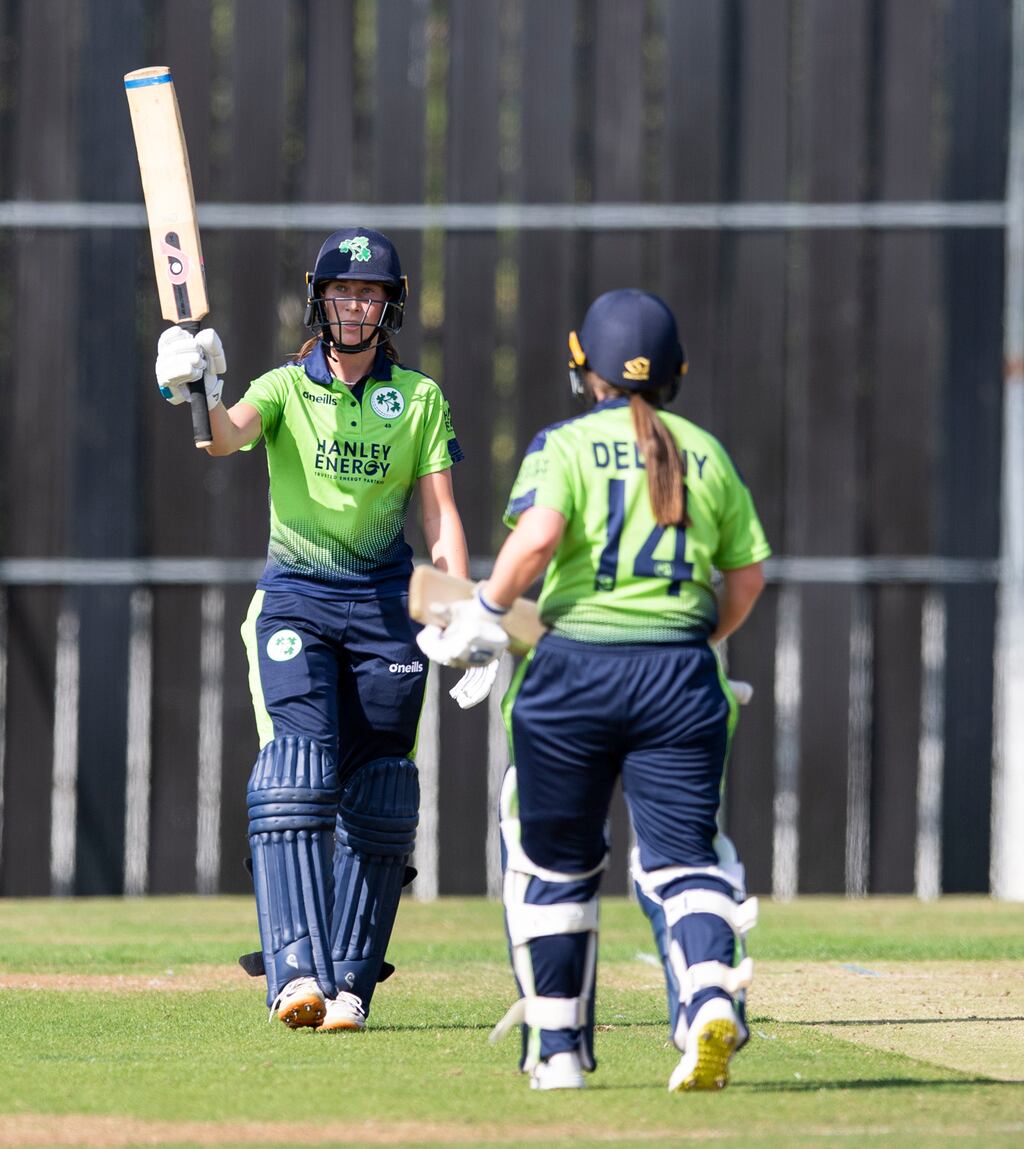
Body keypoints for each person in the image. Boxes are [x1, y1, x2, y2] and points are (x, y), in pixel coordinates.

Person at [417, 289, 770, 1091]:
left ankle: (560, 1051)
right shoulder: (704, 450)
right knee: (686, 861)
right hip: (681, 675)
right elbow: (745, 577)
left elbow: (537, 538)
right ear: (674, 372)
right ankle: (712, 993)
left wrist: (483, 612)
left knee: (553, 864)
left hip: (574, 673)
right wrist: (699, 642)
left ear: (587, 370)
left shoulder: (564, 443)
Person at [154, 227, 497, 1032]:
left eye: (371, 295)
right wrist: (191, 385)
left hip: (384, 607)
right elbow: (221, 437)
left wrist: (462, 611)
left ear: (391, 307)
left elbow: (441, 516)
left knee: (381, 794)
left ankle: (349, 985)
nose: (355, 306)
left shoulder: (418, 400)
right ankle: (294, 972)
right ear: (320, 298)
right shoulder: (281, 386)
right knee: (296, 777)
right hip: (297, 602)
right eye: (344, 292)